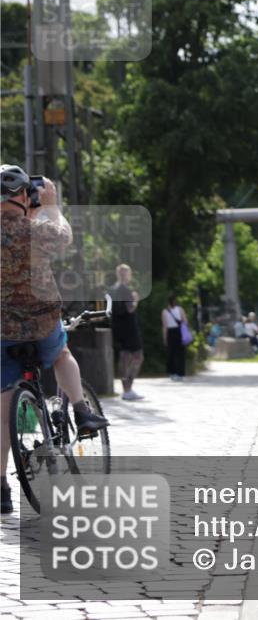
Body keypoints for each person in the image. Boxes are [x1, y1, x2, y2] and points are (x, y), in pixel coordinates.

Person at [1, 166, 109, 513]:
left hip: (2, 334)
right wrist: (51, 205)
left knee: (3, 410)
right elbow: (63, 236)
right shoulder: (35, 230)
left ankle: (1, 489)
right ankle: (81, 410)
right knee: (61, 352)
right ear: (22, 196)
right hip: (42, 325)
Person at [107, 263, 145, 401]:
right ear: (126, 274)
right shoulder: (126, 290)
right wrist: (136, 300)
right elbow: (130, 309)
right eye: (128, 273)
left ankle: (126, 389)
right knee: (138, 357)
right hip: (129, 329)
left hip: (118, 328)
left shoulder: (112, 289)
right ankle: (128, 388)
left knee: (124, 357)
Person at [161, 295, 189, 380]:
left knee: (171, 354)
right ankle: (181, 374)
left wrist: (165, 337)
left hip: (170, 332)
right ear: (175, 301)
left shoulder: (164, 311)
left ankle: (172, 373)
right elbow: (185, 321)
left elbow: (164, 326)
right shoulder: (180, 309)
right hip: (179, 332)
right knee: (181, 354)